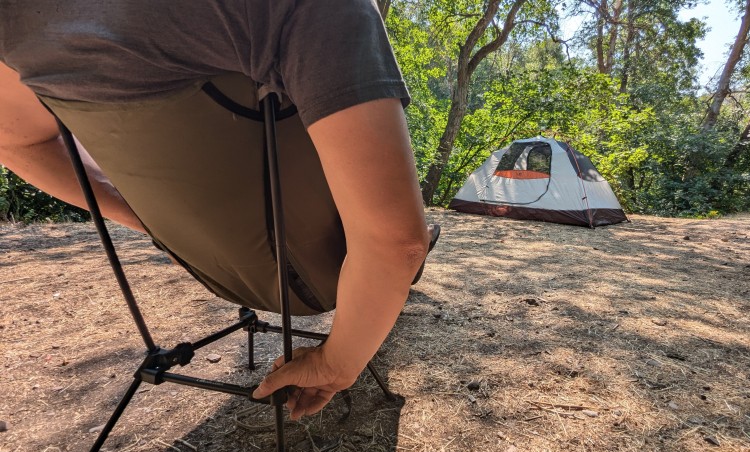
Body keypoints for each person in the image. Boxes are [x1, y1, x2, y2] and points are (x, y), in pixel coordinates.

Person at [0, 0, 431, 420]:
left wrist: (152, 224)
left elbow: (19, 142)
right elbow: (396, 244)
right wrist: (337, 363)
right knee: (409, 232)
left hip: (215, 271)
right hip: (324, 275)